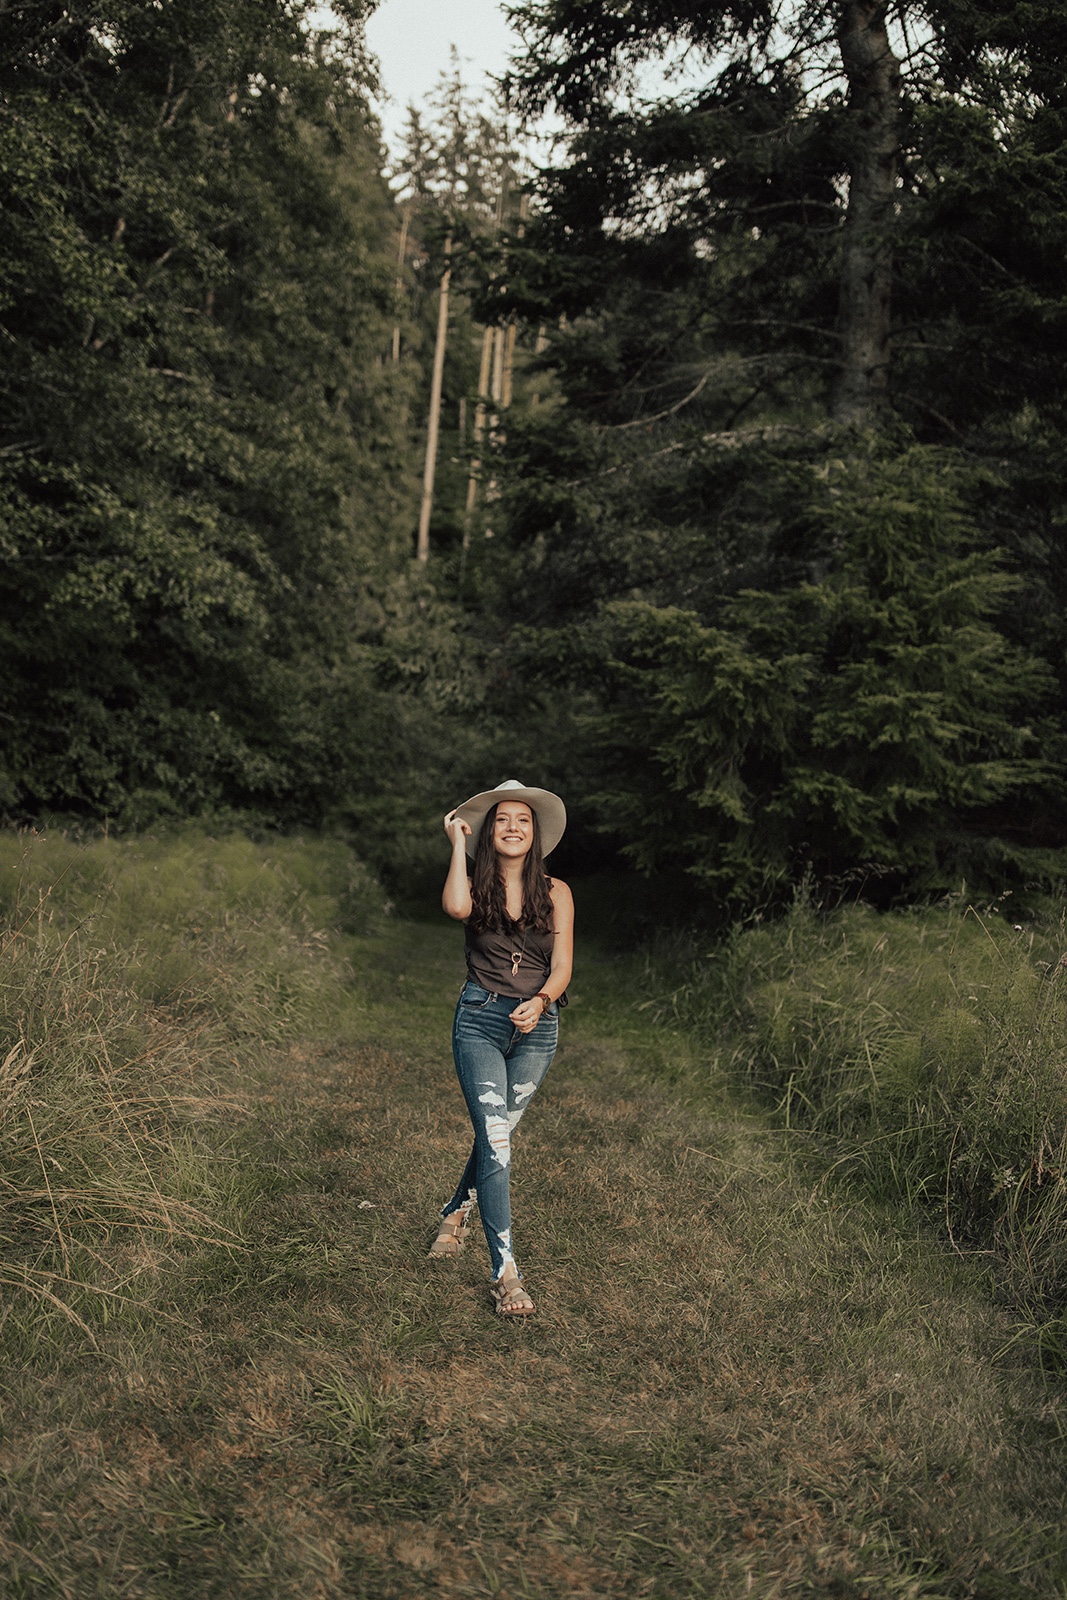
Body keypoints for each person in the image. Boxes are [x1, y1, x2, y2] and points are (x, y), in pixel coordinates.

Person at [431, 779, 574, 1317]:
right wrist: (456, 845)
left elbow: (562, 967)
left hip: (539, 1027)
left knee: (498, 1137)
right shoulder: (473, 886)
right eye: (503, 820)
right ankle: (506, 1275)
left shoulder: (557, 891)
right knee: (497, 1141)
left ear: (534, 833)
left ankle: (454, 1212)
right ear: (489, 832)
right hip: (480, 1022)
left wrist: (541, 1000)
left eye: (523, 819)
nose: (513, 827)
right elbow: (454, 908)